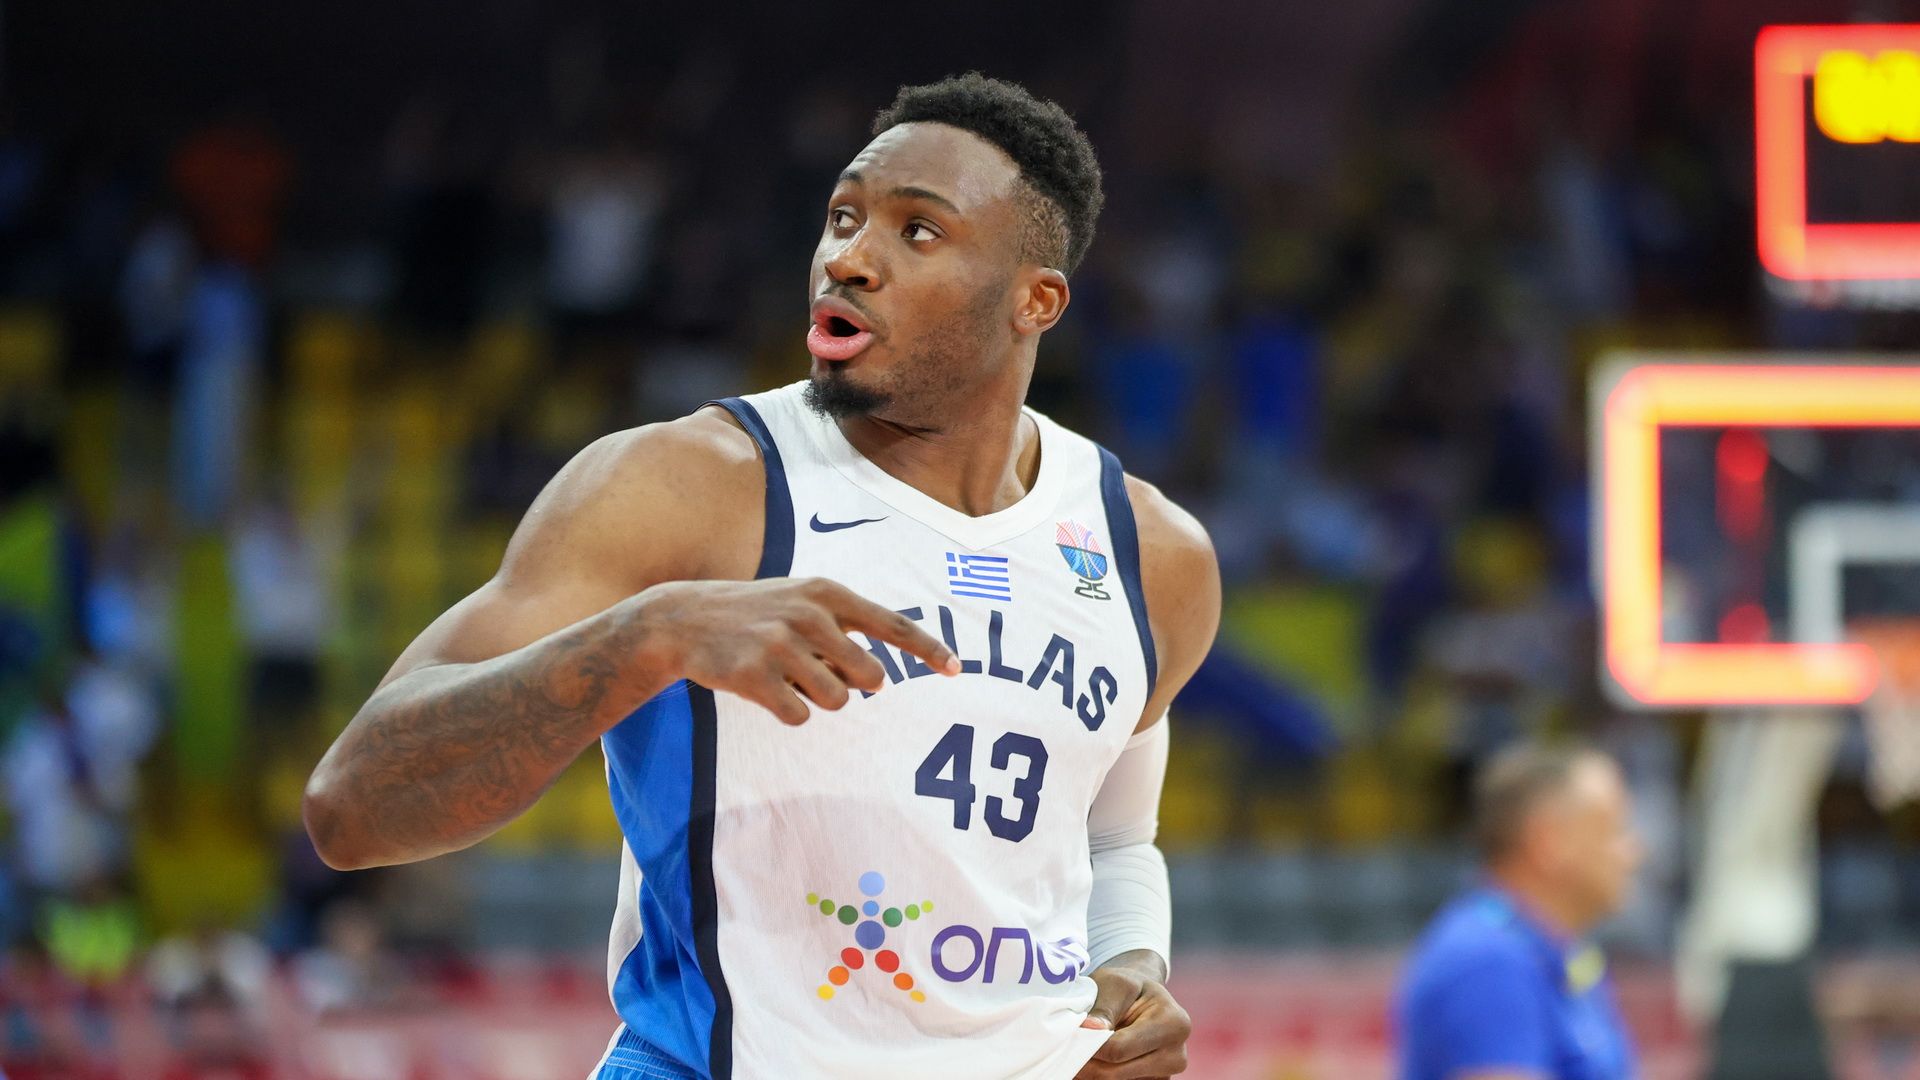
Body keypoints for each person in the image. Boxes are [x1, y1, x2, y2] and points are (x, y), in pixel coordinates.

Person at [304, 73, 1217, 1080]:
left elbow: (1113, 840)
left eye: (918, 231)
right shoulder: (690, 487)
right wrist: (647, 636)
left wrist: (1132, 966)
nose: (847, 258)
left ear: (1034, 301)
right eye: (843, 217)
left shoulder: (1152, 554)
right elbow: (354, 806)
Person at [1395, 743, 1645, 1080]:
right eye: (1613, 829)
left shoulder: (1557, 954)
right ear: (1550, 841)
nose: (1633, 851)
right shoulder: (1487, 962)